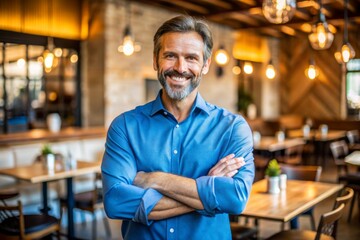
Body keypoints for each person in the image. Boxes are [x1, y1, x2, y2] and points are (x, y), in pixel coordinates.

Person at [101, 15, 254, 239]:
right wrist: (209, 191)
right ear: (155, 60)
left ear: (205, 65)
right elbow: (115, 202)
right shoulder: (125, 126)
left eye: (191, 58)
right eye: (170, 56)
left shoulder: (232, 128)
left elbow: (235, 198)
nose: (180, 68)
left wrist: (155, 179)